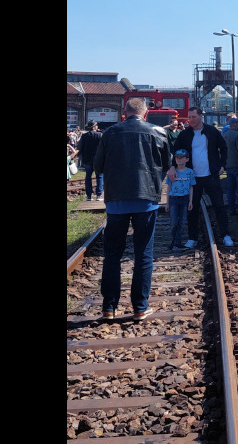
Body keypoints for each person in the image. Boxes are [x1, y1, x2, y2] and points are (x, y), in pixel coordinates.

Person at [92, 97, 171, 321]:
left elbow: (98, 165)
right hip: (146, 199)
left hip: (116, 200)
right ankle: (140, 307)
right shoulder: (158, 132)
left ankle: (109, 307)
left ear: (124, 112)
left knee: (112, 255)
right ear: (146, 113)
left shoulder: (110, 133)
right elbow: (166, 164)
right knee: (143, 254)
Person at [174, 105, 236, 247]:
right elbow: (176, 151)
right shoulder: (184, 134)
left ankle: (225, 235)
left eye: (194, 117)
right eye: (189, 117)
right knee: (192, 208)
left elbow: (223, 148)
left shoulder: (212, 131)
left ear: (201, 116)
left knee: (219, 206)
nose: (191, 120)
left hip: (211, 175)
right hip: (192, 178)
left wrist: (222, 165)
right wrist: (174, 167)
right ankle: (192, 238)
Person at [164, 149, 196, 251]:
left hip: (185, 199)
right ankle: (174, 241)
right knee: (173, 222)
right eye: (177, 157)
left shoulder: (190, 172)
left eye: (181, 158)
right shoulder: (172, 172)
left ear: (187, 159)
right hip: (173, 199)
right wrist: (167, 203)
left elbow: (191, 187)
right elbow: (168, 188)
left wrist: (190, 201)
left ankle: (177, 243)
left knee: (182, 222)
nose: (179, 159)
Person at [79, 121, 104, 201]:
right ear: (95, 127)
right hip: (98, 160)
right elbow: (103, 147)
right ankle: (99, 195)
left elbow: (80, 147)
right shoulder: (100, 135)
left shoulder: (84, 136)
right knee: (99, 176)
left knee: (88, 177)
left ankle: (89, 196)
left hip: (87, 160)